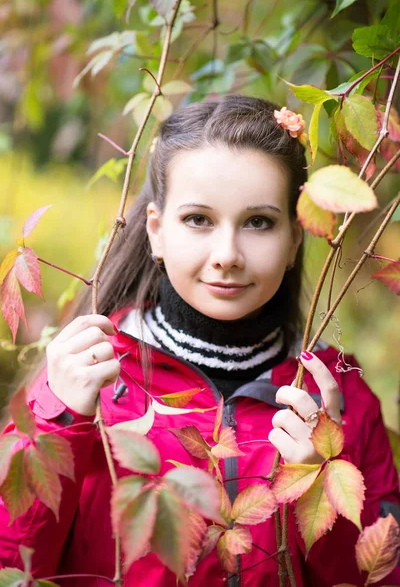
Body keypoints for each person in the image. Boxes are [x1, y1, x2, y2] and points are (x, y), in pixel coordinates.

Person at [0, 95, 399, 587]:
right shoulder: (87, 377)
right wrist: (59, 421)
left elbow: (382, 576)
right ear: (156, 231)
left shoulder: (340, 397)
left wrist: (320, 485)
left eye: (258, 222)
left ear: (295, 239)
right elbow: (13, 568)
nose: (227, 254)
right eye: (198, 220)